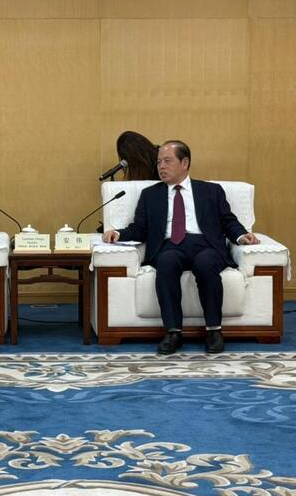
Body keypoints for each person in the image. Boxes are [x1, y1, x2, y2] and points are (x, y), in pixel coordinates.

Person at [102, 140, 259, 355]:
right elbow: (139, 228)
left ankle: (214, 330)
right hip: (169, 246)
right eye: (159, 162)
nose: (161, 167)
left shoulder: (211, 191)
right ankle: (173, 332)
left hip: (205, 245)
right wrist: (118, 233)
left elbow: (228, 221)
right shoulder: (150, 195)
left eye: (167, 161)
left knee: (205, 264)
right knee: (166, 263)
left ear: (185, 163)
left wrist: (241, 236)